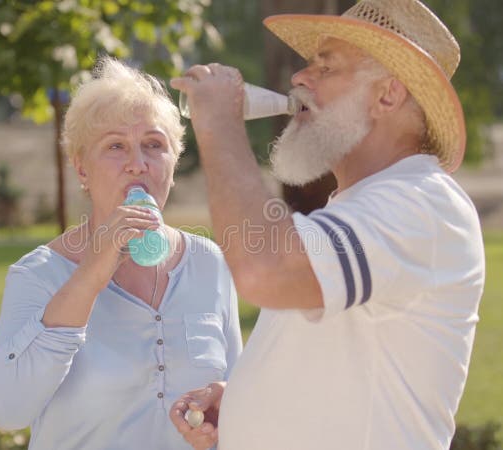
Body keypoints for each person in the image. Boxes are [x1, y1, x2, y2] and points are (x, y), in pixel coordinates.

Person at [168, 0, 485, 449]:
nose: (300, 78)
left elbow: (266, 270)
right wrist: (241, 403)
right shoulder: (361, 208)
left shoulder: (422, 204)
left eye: (326, 67)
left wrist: (219, 123)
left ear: (387, 95)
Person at [0, 56, 242, 450]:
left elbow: (238, 393)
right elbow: (4, 411)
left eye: (154, 145)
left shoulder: (208, 262)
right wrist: (90, 275)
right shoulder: (39, 274)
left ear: (173, 161)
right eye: (116, 146)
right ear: (81, 169)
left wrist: (226, 403)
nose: (138, 164)